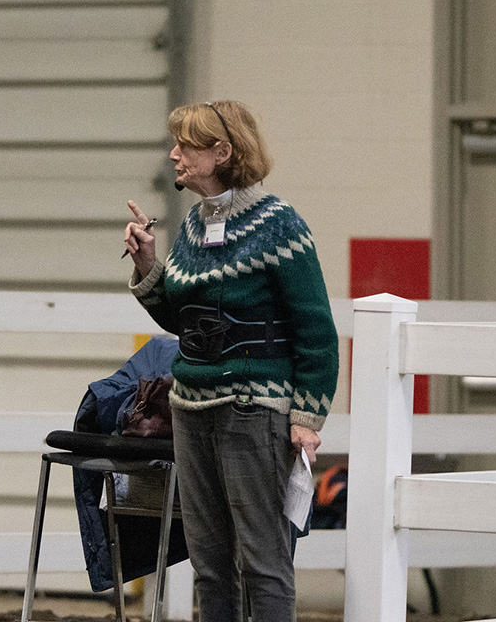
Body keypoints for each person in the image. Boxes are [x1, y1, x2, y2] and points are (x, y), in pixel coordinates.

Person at [122, 100, 338, 621]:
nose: (174, 154)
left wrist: (308, 417)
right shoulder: (194, 225)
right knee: (210, 564)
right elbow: (185, 324)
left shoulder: (280, 225)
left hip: (253, 412)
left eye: (186, 145)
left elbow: (317, 329)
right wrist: (150, 265)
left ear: (221, 151)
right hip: (191, 410)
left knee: (263, 561)